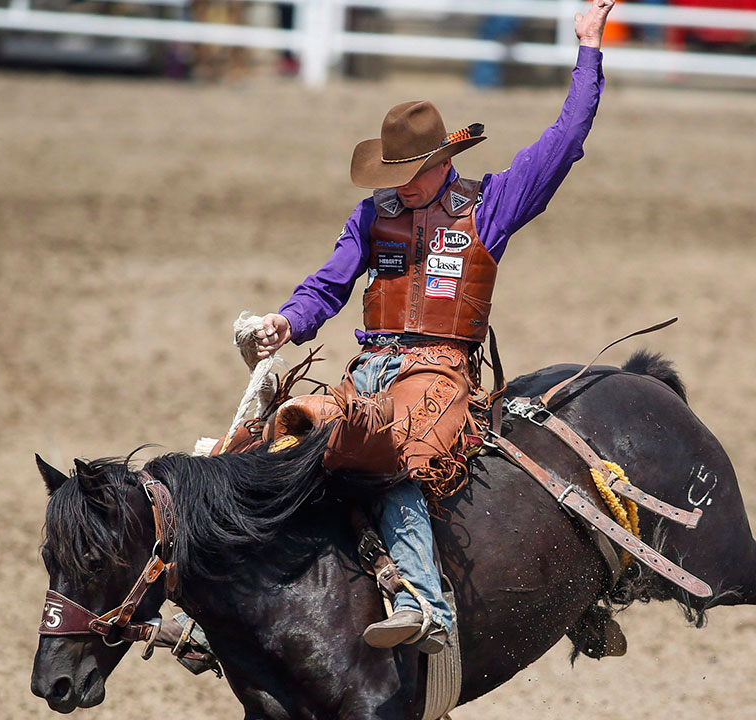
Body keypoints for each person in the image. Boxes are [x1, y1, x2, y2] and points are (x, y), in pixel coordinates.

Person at [254, 0, 617, 654]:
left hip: (440, 375)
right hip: (366, 372)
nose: (397, 188)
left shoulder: (491, 207)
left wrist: (588, 50)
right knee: (283, 438)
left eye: (407, 174)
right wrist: (286, 321)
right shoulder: (372, 217)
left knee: (398, 455)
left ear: (440, 163)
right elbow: (329, 284)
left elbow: (564, 140)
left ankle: (427, 605)